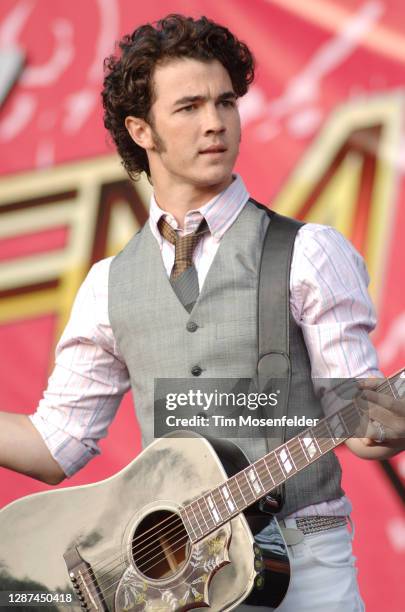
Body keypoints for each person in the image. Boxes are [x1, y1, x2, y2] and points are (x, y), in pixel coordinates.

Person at [0, 13, 404, 611]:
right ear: (141, 129)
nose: (214, 122)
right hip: (170, 587)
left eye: (225, 102)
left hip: (304, 561)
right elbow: (56, 446)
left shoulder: (308, 252)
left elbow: (364, 423)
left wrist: (391, 420)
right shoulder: (108, 284)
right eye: (188, 107)